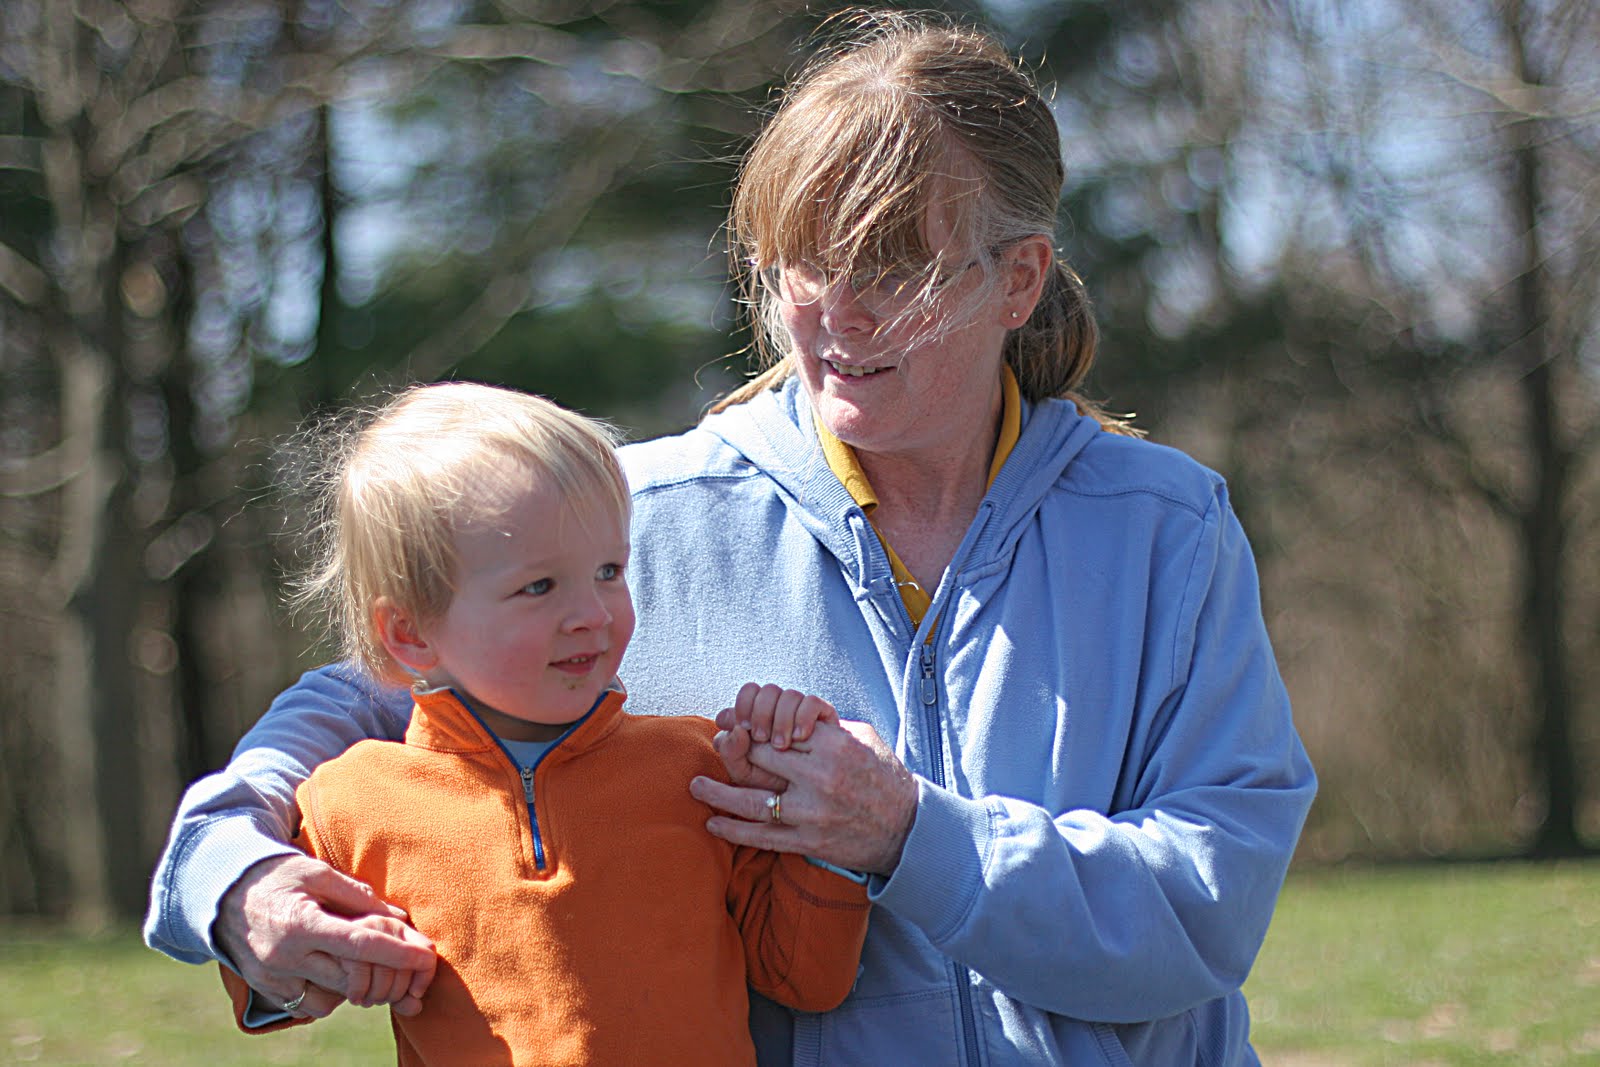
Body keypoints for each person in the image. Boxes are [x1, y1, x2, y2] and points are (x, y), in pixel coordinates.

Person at [146, 10, 1316, 1065]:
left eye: (894, 265)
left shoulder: (1164, 529)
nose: (839, 313)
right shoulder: (624, 527)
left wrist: (910, 834)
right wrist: (235, 879)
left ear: (1019, 279)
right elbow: (365, 693)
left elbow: (1204, 907)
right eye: (805, 263)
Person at [204, 381, 869, 1064]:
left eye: (608, 570)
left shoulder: (697, 768)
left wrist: (821, 827)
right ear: (410, 632)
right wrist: (324, 964)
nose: (592, 613)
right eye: (540, 586)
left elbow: (806, 979)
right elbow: (273, 977)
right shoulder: (350, 803)